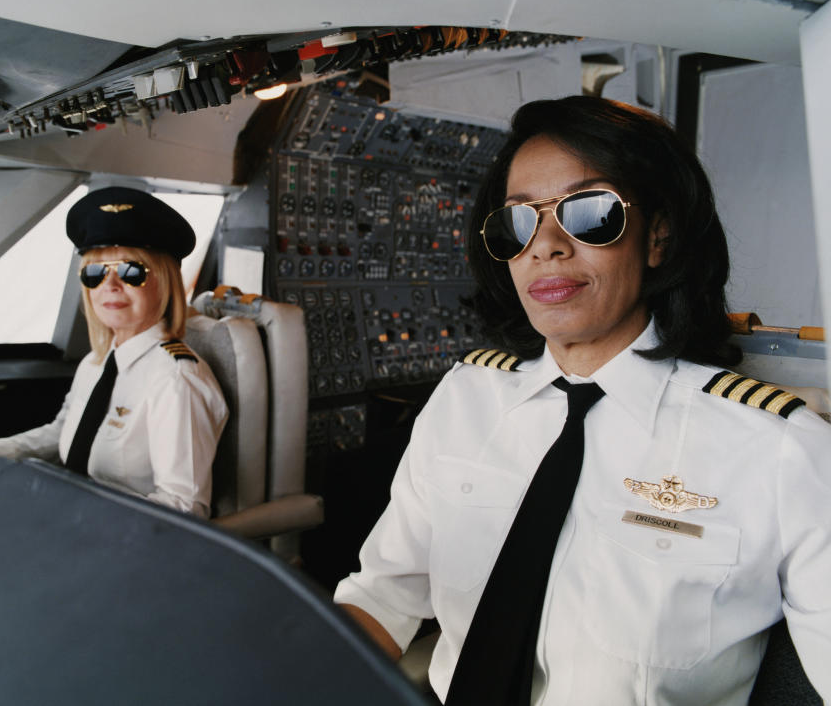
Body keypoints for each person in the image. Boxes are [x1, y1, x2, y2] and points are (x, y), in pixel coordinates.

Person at [334, 96, 831, 705]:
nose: (545, 246)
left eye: (590, 212)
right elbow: (384, 595)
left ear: (659, 236)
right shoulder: (466, 397)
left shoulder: (780, 449)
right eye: (518, 222)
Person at [0, 187, 228, 518]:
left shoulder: (176, 381)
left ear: (166, 281)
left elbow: (185, 508)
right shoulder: (96, 362)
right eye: (96, 273)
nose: (110, 285)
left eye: (131, 271)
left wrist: (85, 515)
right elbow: (64, 432)